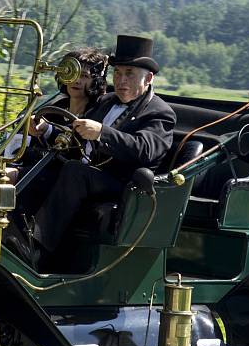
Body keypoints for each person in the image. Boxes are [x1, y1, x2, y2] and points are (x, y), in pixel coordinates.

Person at [10, 35, 176, 267]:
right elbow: (74, 136)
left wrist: (102, 133)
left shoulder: (159, 112)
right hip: (88, 174)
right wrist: (46, 130)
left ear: (148, 78)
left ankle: (37, 248)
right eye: (117, 73)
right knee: (41, 168)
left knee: (74, 171)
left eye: (129, 74)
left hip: (125, 184)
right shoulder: (105, 102)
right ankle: (11, 231)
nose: (121, 80)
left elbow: (145, 150)